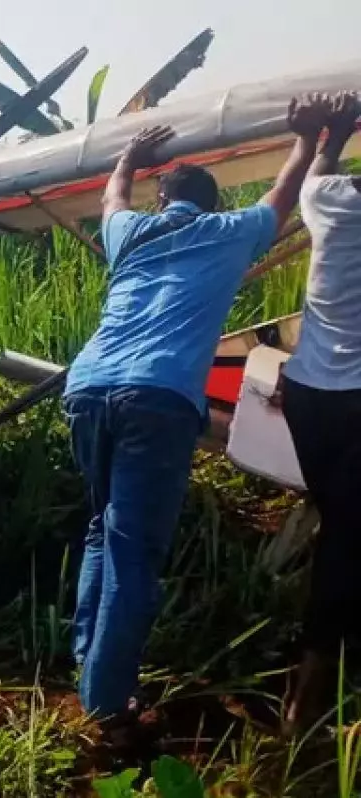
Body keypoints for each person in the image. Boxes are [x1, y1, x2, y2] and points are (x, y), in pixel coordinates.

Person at [62, 95, 329, 722]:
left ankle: (87, 659)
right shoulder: (230, 232)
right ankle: (105, 702)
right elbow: (284, 195)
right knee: (133, 549)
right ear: (213, 203)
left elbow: (112, 197)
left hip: (89, 386)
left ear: (164, 199)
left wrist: (128, 155)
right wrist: (307, 139)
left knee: (104, 527)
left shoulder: (130, 231)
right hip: (156, 397)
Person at [273, 92, 361, 734]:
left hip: (309, 394)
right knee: (346, 539)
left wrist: (336, 126)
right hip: (355, 399)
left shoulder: (330, 203)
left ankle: (316, 676)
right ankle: (308, 697)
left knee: (342, 523)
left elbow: (320, 169)